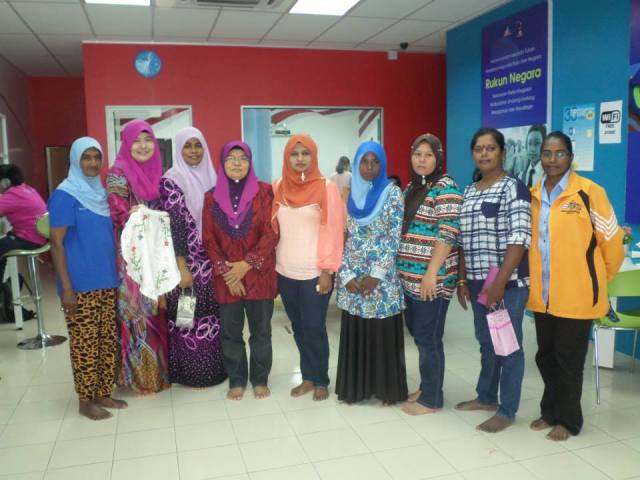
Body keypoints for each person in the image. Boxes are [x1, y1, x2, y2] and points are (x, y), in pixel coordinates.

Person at [528, 131, 624, 441]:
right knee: (545, 356)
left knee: (568, 360)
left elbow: (613, 242)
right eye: (547, 153)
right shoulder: (532, 195)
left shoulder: (589, 192)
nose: (553, 160)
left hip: (579, 295)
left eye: (560, 154)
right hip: (542, 296)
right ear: (540, 157)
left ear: (570, 157)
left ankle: (569, 421)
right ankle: (549, 411)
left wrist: (597, 280)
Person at [456, 128, 531, 433]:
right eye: (479, 149)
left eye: (490, 148)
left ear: (503, 152)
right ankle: (486, 397)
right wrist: (462, 281)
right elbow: (462, 240)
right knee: (487, 343)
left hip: (506, 284)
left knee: (508, 347)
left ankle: (507, 410)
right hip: (478, 283)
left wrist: (499, 283)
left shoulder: (513, 188)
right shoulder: (469, 191)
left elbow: (519, 239)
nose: (484, 153)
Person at [49, 137, 127, 420]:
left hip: (107, 280)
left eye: (97, 157)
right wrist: (66, 288)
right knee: (85, 343)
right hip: (80, 285)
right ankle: (85, 400)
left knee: (106, 339)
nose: (93, 163)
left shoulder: (101, 194)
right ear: (75, 160)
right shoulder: (65, 195)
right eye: (86, 157)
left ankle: (103, 392)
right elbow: (56, 243)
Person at [202, 140, 278, 400]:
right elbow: (208, 239)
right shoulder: (211, 197)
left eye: (242, 158)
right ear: (222, 163)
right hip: (227, 280)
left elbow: (272, 232)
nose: (237, 163)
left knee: (261, 332)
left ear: (250, 162)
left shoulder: (265, 192)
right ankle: (237, 379)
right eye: (231, 158)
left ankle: (260, 379)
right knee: (230, 333)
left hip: (259, 275)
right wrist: (228, 272)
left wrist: (246, 264)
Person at [272, 134, 344, 401]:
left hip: (315, 273)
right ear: (287, 157)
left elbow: (334, 230)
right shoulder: (278, 186)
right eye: (295, 154)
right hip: (285, 271)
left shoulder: (327, 187)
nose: (300, 158)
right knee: (299, 328)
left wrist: (327, 271)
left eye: (305, 153)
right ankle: (308, 377)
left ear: (313, 156)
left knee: (314, 328)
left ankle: (321, 379)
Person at [335, 141, 406, 405]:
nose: (369, 167)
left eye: (375, 162)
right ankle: (356, 390)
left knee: (380, 332)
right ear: (356, 164)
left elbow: (393, 237)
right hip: (352, 276)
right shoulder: (348, 195)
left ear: (382, 164)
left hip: (382, 279)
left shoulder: (392, 193)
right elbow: (340, 237)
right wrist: (346, 275)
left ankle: (386, 390)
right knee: (357, 330)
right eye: (364, 162)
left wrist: (376, 274)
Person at [396, 133, 463, 415]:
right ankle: (427, 387)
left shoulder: (446, 187)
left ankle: (432, 399)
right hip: (409, 281)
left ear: (438, 158)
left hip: (431, 281)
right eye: (417, 154)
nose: (422, 160)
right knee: (420, 336)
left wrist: (431, 273)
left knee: (429, 338)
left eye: (428, 155)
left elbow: (448, 233)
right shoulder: (412, 187)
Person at [159, 127, 226, 388]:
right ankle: (190, 373)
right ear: (179, 149)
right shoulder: (171, 180)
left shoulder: (214, 178)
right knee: (186, 319)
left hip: (211, 263)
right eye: (188, 145)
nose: (194, 151)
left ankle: (212, 370)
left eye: (198, 145)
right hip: (186, 263)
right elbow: (174, 225)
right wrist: (182, 266)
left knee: (212, 318)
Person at [107, 119, 170, 395]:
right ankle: (138, 378)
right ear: (126, 144)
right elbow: (117, 212)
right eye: (136, 141)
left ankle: (158, 374)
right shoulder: (118, 173)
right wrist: (135, 215)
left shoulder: (158, 172)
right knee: (136, 312)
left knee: (156, 311)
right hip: (132, 258)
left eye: (148, 140)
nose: (143, 146)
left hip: (157, 254)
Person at [0, 164, 47, 281]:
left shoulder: (12, 195)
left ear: (5, 182)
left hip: (29, 239)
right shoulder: (28, 189)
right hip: (41, 237)